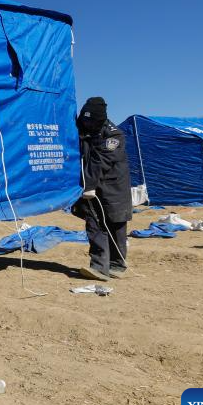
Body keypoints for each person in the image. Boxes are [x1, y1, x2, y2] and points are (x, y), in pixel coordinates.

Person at [72, 97, 132, 281]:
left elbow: (99, 162)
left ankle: (117, 265)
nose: (87, 124)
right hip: (92, 186)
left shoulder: (114, 136)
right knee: (95, 224)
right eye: (85, 120)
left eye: (91, 121)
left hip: (113, 188)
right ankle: (99, 267)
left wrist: (88, 186)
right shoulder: (82, 128)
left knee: (116, 226)